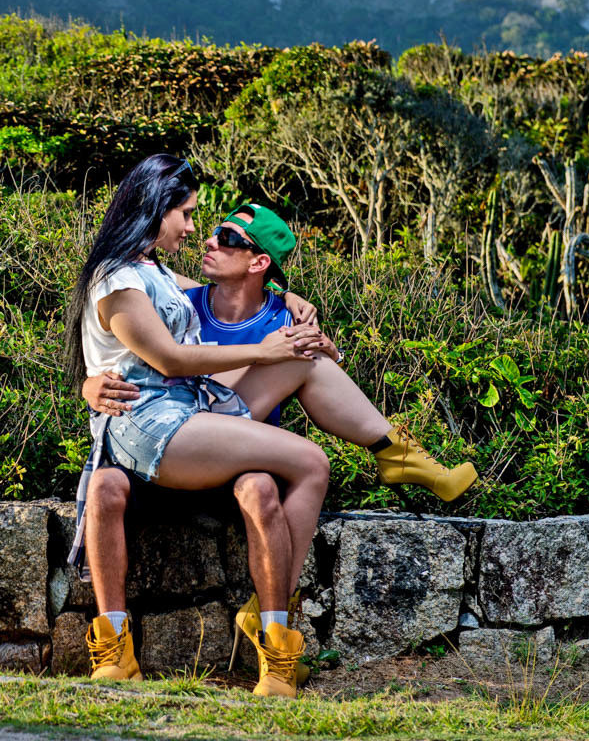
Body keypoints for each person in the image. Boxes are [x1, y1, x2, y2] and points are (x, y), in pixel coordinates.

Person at [74, 199, 478, 694]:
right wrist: (90, 385)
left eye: (228, 239)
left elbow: (321, 361)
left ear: (259, 262)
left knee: (265, 474)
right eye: (209, 228)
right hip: (172, 443)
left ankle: (395, 455)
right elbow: (121, 334)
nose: (208, 240)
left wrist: (296, 313)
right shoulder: (183, 298)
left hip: (232, 453)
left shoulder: (284, 321)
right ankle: (115, 650)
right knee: (103, 485)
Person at [64, 153, 334, 698]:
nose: (193, 229)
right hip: (154, 430)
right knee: (311, 461)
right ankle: (120, 647)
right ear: (154, 208)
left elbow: (231, 283)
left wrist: (285, 295)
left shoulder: (153, 271)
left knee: (275, 461)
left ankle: (275, 643)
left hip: (182, 423)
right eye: (185, 215)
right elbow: (165, 359)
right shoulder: (118, 281)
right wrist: (262, 350)